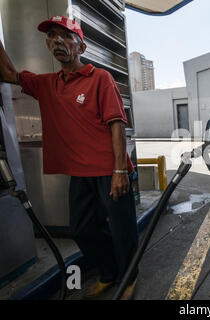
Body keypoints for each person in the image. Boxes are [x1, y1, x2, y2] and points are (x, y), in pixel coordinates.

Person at [0, 15, 139, 300]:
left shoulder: (100, 78)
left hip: (110, 171)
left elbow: (117, 123)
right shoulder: (47, 84)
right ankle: (110, 271)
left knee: (122, 229)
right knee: (83, 229)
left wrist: (119, 172)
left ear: (81, 46)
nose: (57, 41)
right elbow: (8, 73)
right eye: (51, 36)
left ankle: (128, 277)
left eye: (65, 36)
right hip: (80, 173)